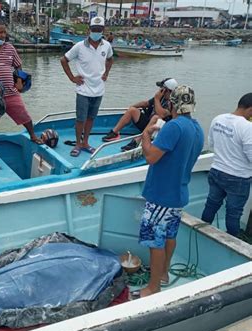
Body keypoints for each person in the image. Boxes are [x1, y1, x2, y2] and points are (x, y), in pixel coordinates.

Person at [136, 85, 204, 298]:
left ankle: (153, 286)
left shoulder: (174, 127)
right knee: (169, 234)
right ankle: (163, 273)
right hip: (178, 193)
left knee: (154, 239)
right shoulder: (197, 127)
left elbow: (151, 157)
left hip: (161, 195)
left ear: (172, 104)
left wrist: (146, 134)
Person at [0, 22, 42, 157]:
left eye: (5, 32)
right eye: (0, 33)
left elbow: (18, 66)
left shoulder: (10, 48)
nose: (3, 35)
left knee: (25, 116)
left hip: (11, 92)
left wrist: (19, 82)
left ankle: (33, 135)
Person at [60, 16, 114, 157]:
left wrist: (106, 73)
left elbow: (110, 59)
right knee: (80, 119)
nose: (96, 32)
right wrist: (72, 78)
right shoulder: (79, 46)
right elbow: (64, 60)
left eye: (99, 29)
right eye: (94, 29)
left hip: (99, 89)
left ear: (103, 30)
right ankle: (78, 143)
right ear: (89, 29)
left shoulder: (107, 46)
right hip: (83, 89)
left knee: (91, 118)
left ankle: (86, 142)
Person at [201, 93, 252, 237]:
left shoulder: (218, 119)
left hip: (217, 171)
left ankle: (202, 232)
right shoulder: (247, 127)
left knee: (211, 205)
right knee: (234, 213)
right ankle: (233, 241)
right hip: (238, 178)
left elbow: (212, 143)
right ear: (250, 110)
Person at [102, 78, 178, 151]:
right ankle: (115, 133)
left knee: (156, 117)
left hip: (159, 130)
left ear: (167, 90)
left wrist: (157, 99)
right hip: (149, 125)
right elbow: (146, 103)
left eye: (162, 88)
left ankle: (137, 141)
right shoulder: (161, 97)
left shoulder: (173, 102)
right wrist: (132, 107)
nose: (160, 90)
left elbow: (161, 114)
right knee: (132, 110)